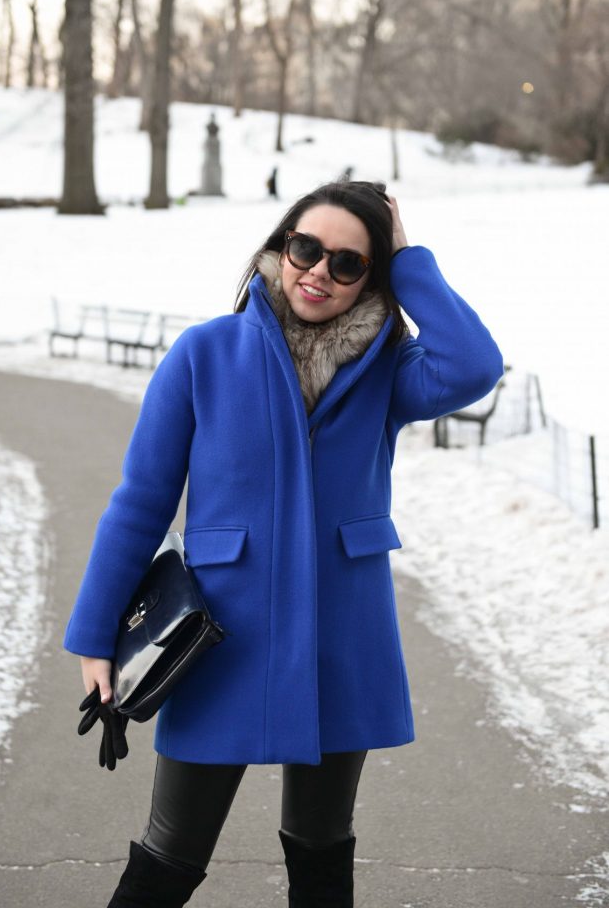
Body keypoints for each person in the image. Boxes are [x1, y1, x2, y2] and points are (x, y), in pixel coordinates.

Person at [63, 180, 504, 907]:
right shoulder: (205, 353)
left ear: (372, 276)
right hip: (217, 639)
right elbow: (141, 502)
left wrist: (409, 259)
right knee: (169, 856)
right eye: (306, 249)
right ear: (280, 247)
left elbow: (474, 365)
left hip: (343, 638)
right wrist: (94, 637)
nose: (319, 272)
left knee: (321, 852)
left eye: (348, 263)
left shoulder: (387, 370)